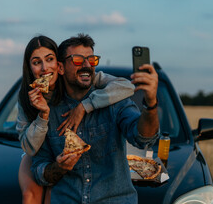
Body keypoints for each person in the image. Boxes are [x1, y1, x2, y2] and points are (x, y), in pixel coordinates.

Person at [31, 33, 160, 204]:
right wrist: (59, 167)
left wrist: (150, 104)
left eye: (91, 60)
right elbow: (39, 169)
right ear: (60, 68)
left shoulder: (113, 101)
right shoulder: (49, 111)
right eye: (77, 60)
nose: (86, 65)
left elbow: (143, 137)